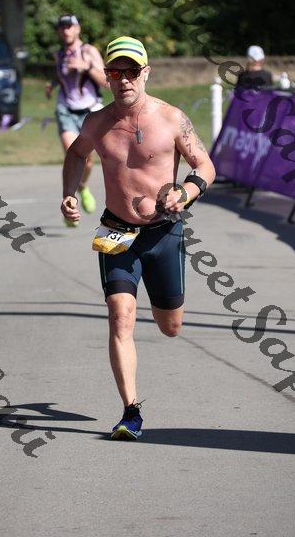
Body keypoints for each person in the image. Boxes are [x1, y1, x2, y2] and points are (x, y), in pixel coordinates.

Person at [61, 36, 216, 440]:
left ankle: (165, 308)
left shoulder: (171, 118)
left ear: (145, 73)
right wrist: (70, 192)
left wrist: (186, 191)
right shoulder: (96, 122)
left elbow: (205, 165)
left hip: (164, 232)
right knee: (120, 316)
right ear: (107, 77)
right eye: (116, 72)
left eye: (132, 71)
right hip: (117, 231)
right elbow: (76, 154)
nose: (124, 79)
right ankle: (131, 411)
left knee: (171, 326)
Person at [46, 14, 107, 225]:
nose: (66, 31)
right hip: (65, 109)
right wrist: (52, 84)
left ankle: (82, 187)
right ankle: (69, 201)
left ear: (78, 29)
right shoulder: (59, 54)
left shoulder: (89, 51)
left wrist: (87, 67)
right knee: (72, 154)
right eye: (62, 27)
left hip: (89, 111)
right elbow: (61, 74)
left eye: (69, 27)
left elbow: (107, 81)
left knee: (87, 159)